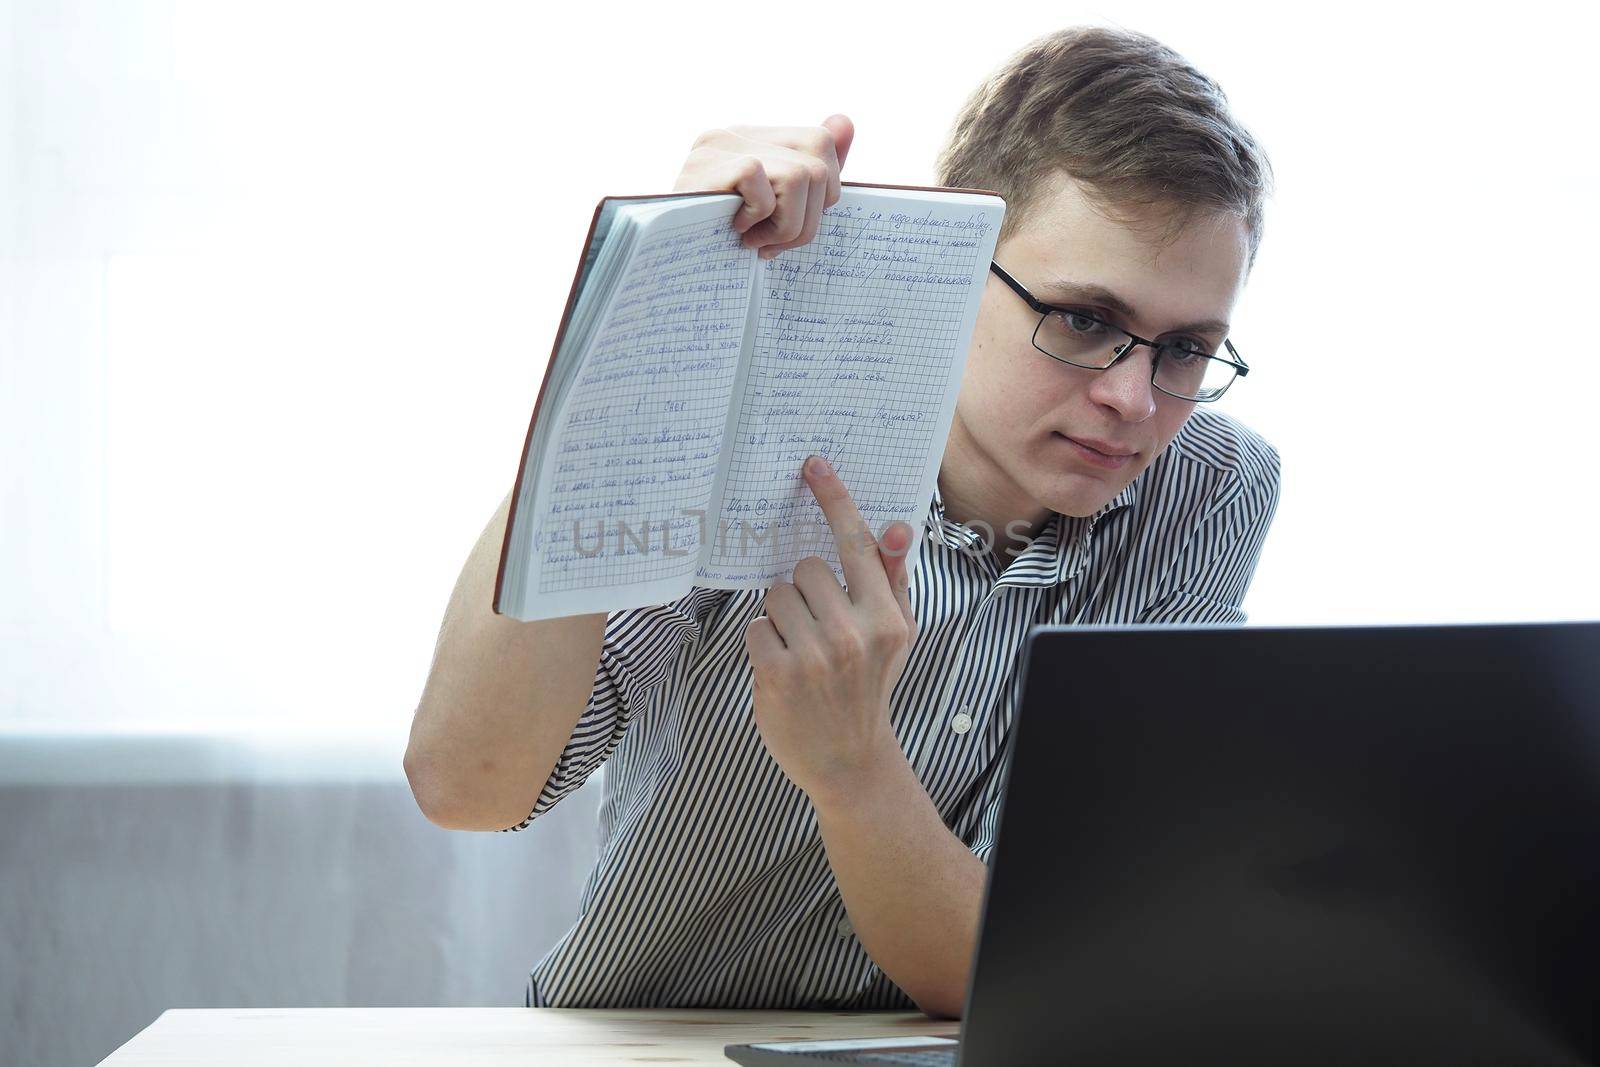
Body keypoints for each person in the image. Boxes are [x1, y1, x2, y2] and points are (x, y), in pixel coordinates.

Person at [404, 24, 1281, 1019]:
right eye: (1082, 319)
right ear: (958, 261)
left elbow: (1041, 960)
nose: (1134, 396)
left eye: (1186, 347)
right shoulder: (755, 417)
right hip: (648, 1043)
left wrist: (854, 769)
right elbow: (469, 783)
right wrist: (650, 301)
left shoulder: (1207, 487)